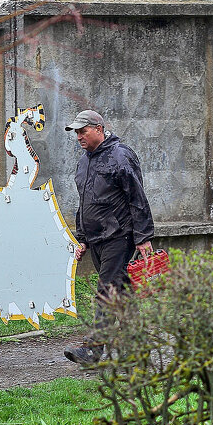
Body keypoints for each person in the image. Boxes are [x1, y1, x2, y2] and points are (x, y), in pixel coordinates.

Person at [63, 109, 155, 365]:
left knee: (106, 292)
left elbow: (137, 198)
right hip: (97, 239)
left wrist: (143, 236)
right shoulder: (85, 161)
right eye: (77, 132)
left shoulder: (121, 156)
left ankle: (93, 350)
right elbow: (86, 203)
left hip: (119, 236)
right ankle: (138, 350)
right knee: (122, 294)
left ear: (99, 129)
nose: (79, 136)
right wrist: (82, 238)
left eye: (83, 131)